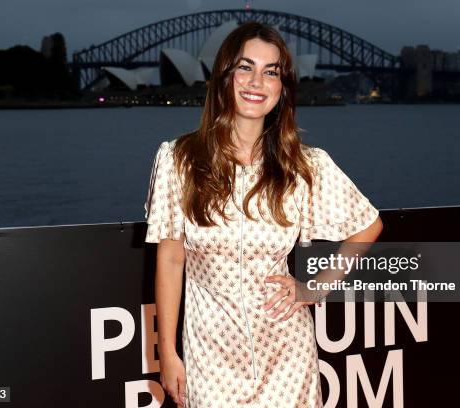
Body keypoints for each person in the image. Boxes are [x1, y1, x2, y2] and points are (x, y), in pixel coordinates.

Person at [144, 21, 383, 408]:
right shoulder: (179, 160)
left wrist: (316, 286)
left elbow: (369, 225)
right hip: (211, 359)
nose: (257, 81)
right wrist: (167, 353)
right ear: (224, 76)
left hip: (287, 357)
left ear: (282, 88)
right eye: (245, 67)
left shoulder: (305, 166)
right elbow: (171, 259)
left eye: (271, 71)